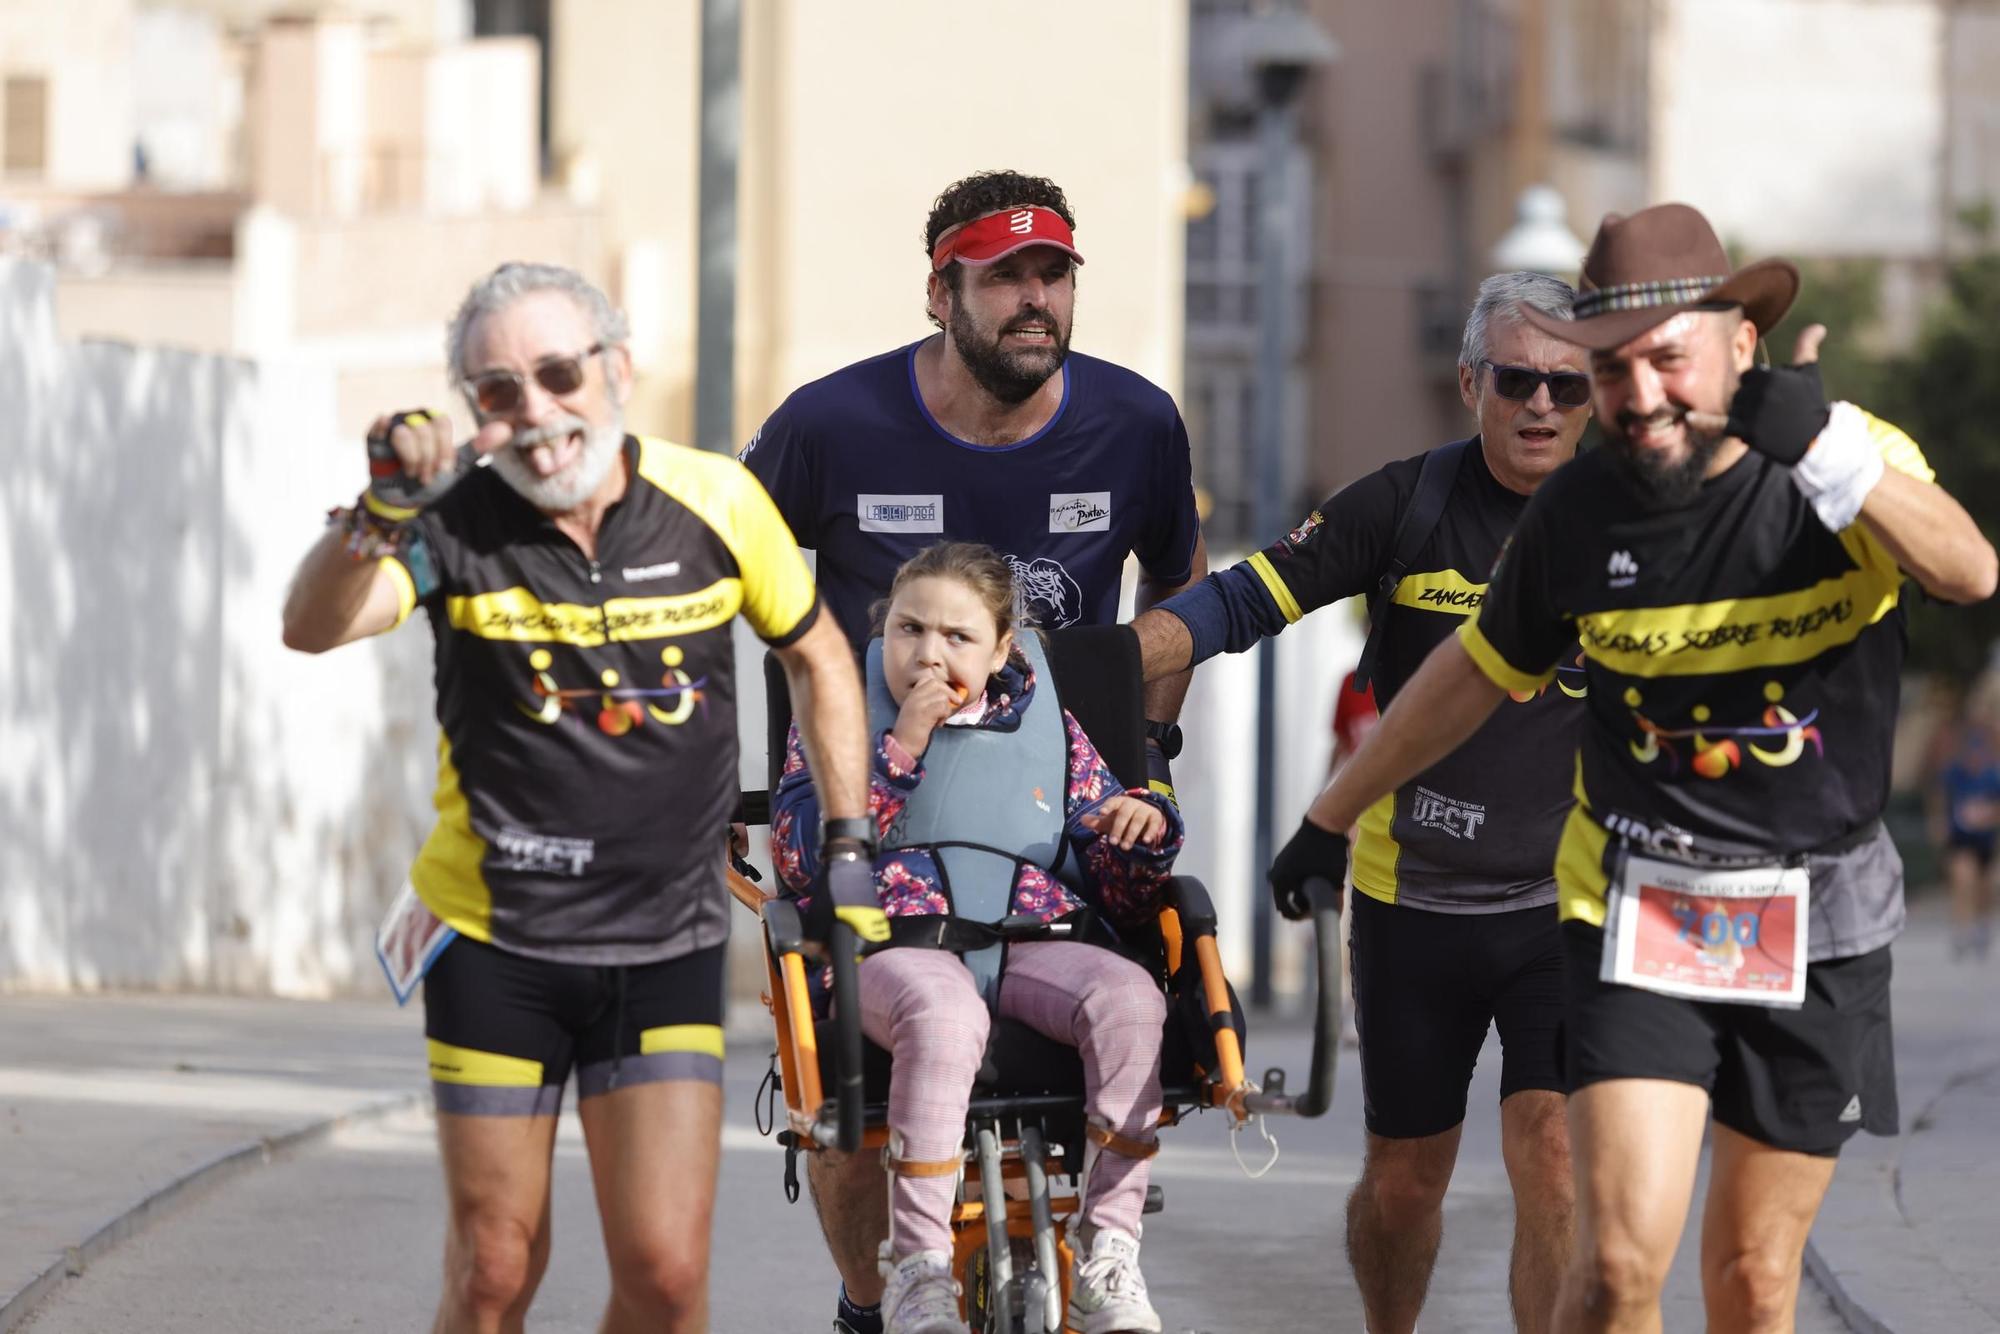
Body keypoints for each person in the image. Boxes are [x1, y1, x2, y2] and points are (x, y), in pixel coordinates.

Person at [1265, 203, 1998, 1333]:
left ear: (1737, 345)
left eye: (1666, 359)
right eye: (1609, 371)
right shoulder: (1578, 511)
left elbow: (1965, 570)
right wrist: (1329, 815)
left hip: (1820, 911)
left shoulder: (1843, 459)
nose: (1636, 396)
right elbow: (1472, 672)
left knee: (1753, 1280)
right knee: (1612, 1273)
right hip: (1636, 904)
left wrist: (1827, 454)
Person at [280, 262, 871, 1334]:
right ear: (472, 409)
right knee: (496, 1266)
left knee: (662, 1273)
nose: (536, 412)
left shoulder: (716, 500)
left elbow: (819, 658)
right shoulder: (450, 521)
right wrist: (376, 508)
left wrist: (846, 841)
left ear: (619, 370)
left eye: (558, 373)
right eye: (497, 392)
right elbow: (316, 622)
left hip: (662, 941)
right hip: (494, 937)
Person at [739, 168, 1207, 1334]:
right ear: (941, 290)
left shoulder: (1137, 422)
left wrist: (1140, 762)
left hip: (1046, 819)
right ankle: (882, 1293)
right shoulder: (827, 424)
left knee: (1139, 990)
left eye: (1052, 274)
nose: (1034, 298)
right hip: (868, 836)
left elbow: (1181, 586)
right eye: (1004, 278)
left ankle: (1105, 1252)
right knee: (852, 1111)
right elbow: (727, 579)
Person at [1131, 271, 1592, 1334]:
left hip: (1564, 901)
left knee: (1555, 1156)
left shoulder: (1623, 518)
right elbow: (1245, 597)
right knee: (1402, 1183)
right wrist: (1104, 659)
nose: (1539, 405)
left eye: (1566, 388)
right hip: (1410, 894)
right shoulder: (1405, 502)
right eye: (1516, 379)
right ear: (1469, 381)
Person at [771, 542, 1184, 1334]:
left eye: (957, 637)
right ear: (881, 632)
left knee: (1130, 996)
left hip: (1032, 933)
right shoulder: (839, 710)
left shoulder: (1051, 729)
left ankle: (1109, 1251)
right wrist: (902, 747)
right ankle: (920, 1270)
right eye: (909, 629)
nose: (928, 653)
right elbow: (799, 854)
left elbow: (1119, 896)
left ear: (1003, 651)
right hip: (897, 944)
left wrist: (1139, 834)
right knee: (944, 1013)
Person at [1933, 684, 2000, 960]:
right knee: (1963, 879)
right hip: (1961, 832)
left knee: (1987, 884)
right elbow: (1940, 789)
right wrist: (1938, 821)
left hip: (1988, 834)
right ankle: (1962, 929)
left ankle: (1981, 924)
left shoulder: (1994, 757)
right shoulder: (1956, 750)